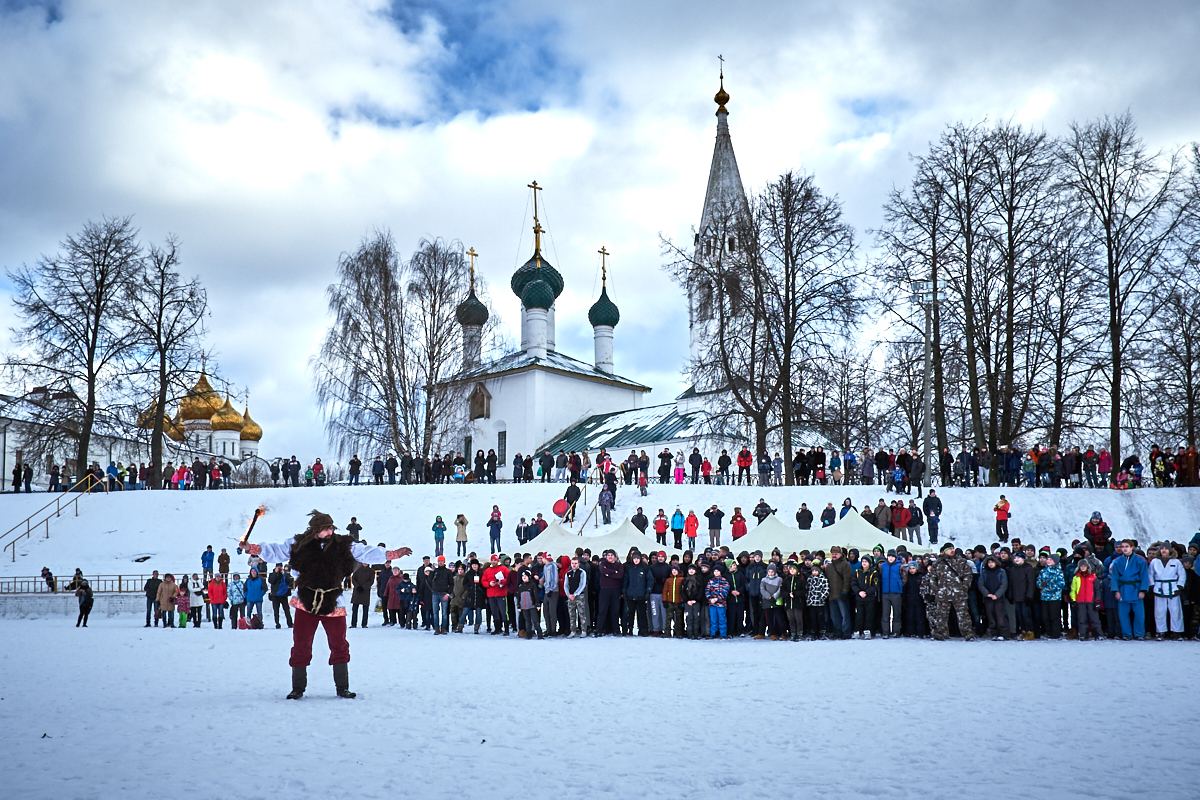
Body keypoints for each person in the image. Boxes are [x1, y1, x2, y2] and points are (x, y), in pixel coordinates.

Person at [242, 510, 409, 699]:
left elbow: (366, 552)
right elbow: (276, 551)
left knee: (339, 644)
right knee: (301, 644)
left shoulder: (343, 544)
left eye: (331, 528)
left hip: (333, 601)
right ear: (315, 530)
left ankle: (342, 687)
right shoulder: (298, 544)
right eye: (325, 529)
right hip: (306, 601)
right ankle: (298, 688)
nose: (329, 532)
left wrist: (391, 554)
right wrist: (251, 548)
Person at [927, 544, 977, 641]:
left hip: (958, 593)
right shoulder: (938, 563)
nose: (952, 550)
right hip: (943, 594)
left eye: (953, 548)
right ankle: (940, 634)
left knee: (963, 615)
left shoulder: (961, 562)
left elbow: (968, 576)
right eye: (949, 549)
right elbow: (933, 578)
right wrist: (936, 590)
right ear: (944, 551)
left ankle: (968, 634)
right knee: (941, 615)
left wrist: (964, 588)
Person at [1110, 539, 1149, 640]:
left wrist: (1143, 590)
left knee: (1139, 614)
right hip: (1123, 589)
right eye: (1122, 547)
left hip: (1136, 589)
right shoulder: (1117, 561)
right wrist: (1116, 590)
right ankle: (1126, 633)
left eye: (1126, 546)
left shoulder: (1140, 561)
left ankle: (1139, 633)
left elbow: (1144, 576)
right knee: (1123, 614)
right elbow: (1115, 577)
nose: (1124, 549)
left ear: (1132, 547)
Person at [1149, 543, 1187, 639]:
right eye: (1162, 549)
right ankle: (1160, 632)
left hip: (1173, 588)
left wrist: (1179, 586)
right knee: (1159, 611)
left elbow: (1182, 574)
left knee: (1176, 611)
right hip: (1159, 588)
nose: (1164, 550)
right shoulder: (1155, 561)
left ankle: (1176, 632)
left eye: (1166, 549)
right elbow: (1150, 574)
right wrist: (1152, 585)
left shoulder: (1176, 562)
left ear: (1170, 550)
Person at [1070, 560, 1102, 640]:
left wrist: (1097, 600)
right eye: (1081, 566)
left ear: (1087, 567)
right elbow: (1073, 589)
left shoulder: (1093, 577)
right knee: (1081, 618)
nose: (1083, 567)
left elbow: (1097, 589)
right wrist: (1073, 600)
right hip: (1080, 600)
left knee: (1094, 618)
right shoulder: (1076, 577)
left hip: (1091, 600)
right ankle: (1083, 634)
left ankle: (1098, 634)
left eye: (1084, 566)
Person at [269, 563, 295, 629]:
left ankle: (290, 623)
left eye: (280, 566)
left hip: (284, 595)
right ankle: (277, 623)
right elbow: (271, 581)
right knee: (276, 611)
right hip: (275, 595)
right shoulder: (272, 574)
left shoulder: (285, 574)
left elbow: (290, 581)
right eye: (278, 566)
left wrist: (284, 574)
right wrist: (275, 572)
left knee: (287, 610)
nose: (279, 568)